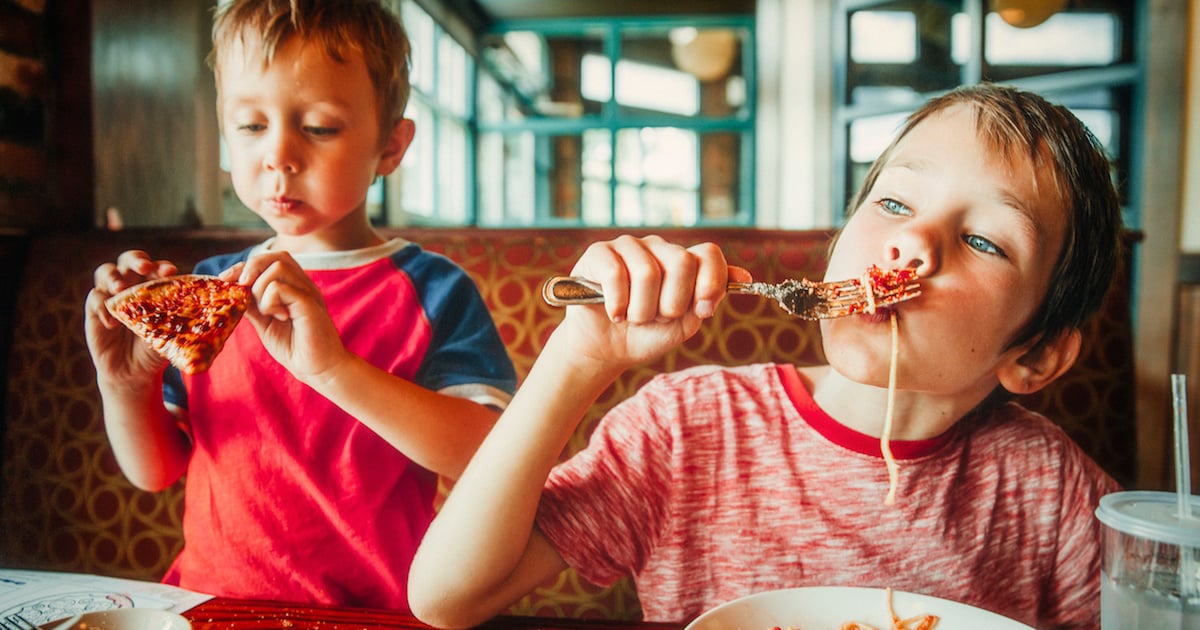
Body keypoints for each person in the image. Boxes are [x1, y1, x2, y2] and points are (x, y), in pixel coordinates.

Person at [407, 83, 1124, 629]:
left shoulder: (1049, 489)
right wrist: (577, 358)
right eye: (896, 205)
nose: (912, 245)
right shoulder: (688, 428)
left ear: (1034, 355)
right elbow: (448, 596)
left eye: (984, 241)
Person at [83, 0, 517, 610]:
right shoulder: (212, 287)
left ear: (391, 147)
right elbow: (155, 471)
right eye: (251, 126)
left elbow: (489, 456)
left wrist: (335, 370)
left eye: (318, 127)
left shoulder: (434, 290)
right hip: (209, 604)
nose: (278, 155)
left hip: (374, 613)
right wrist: (125, 384)